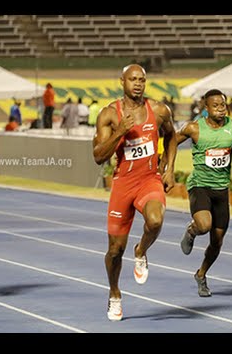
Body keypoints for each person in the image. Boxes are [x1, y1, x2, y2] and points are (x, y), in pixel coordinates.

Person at [92, 64, 177, 321]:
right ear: (122, 81)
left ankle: (141, 251)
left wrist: (169, 168)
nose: (138, 84)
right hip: (123, 185)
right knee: (115, 251)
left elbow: (172, 136)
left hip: (149, 180)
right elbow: (98, 157)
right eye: (133, 79)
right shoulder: (108, 114)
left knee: (155, 220)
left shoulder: (160, 110)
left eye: (142, 79)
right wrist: (119, 132)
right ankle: (115, 293)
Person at [176, 89, 232, 297]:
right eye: (215, 105)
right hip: (200, 185)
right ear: (206, 109)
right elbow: (172, 141)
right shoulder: (194, 128)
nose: (220, 109)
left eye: (223, 105)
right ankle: (192, 230)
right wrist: (165, 165)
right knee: (204, 225)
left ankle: (201, 274)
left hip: (221, 190)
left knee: (217, 242)